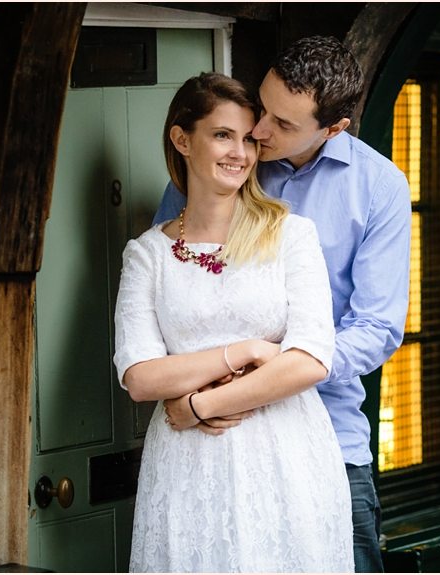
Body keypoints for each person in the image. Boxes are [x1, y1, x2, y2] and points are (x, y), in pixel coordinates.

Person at [156, 36, 412, 572]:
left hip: (329, 440)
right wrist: (200, 394)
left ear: (334, 128)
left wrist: (271, 374)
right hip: (212, 444)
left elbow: (376, 328)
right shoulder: (222, 161)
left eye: (285, 124)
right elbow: (169, 288)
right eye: (263, 106)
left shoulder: (379, 187)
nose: (260, 131)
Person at [114, 72, 354, 572]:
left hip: (285, 453)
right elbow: (139, 376)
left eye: (249, 139)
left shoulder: (291, 235)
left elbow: (310, 360)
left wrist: (200, 404)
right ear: (182, 139)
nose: (240, 153)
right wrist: (243, 351)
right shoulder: (148, 255)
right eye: (223, 135)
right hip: (187, 467)